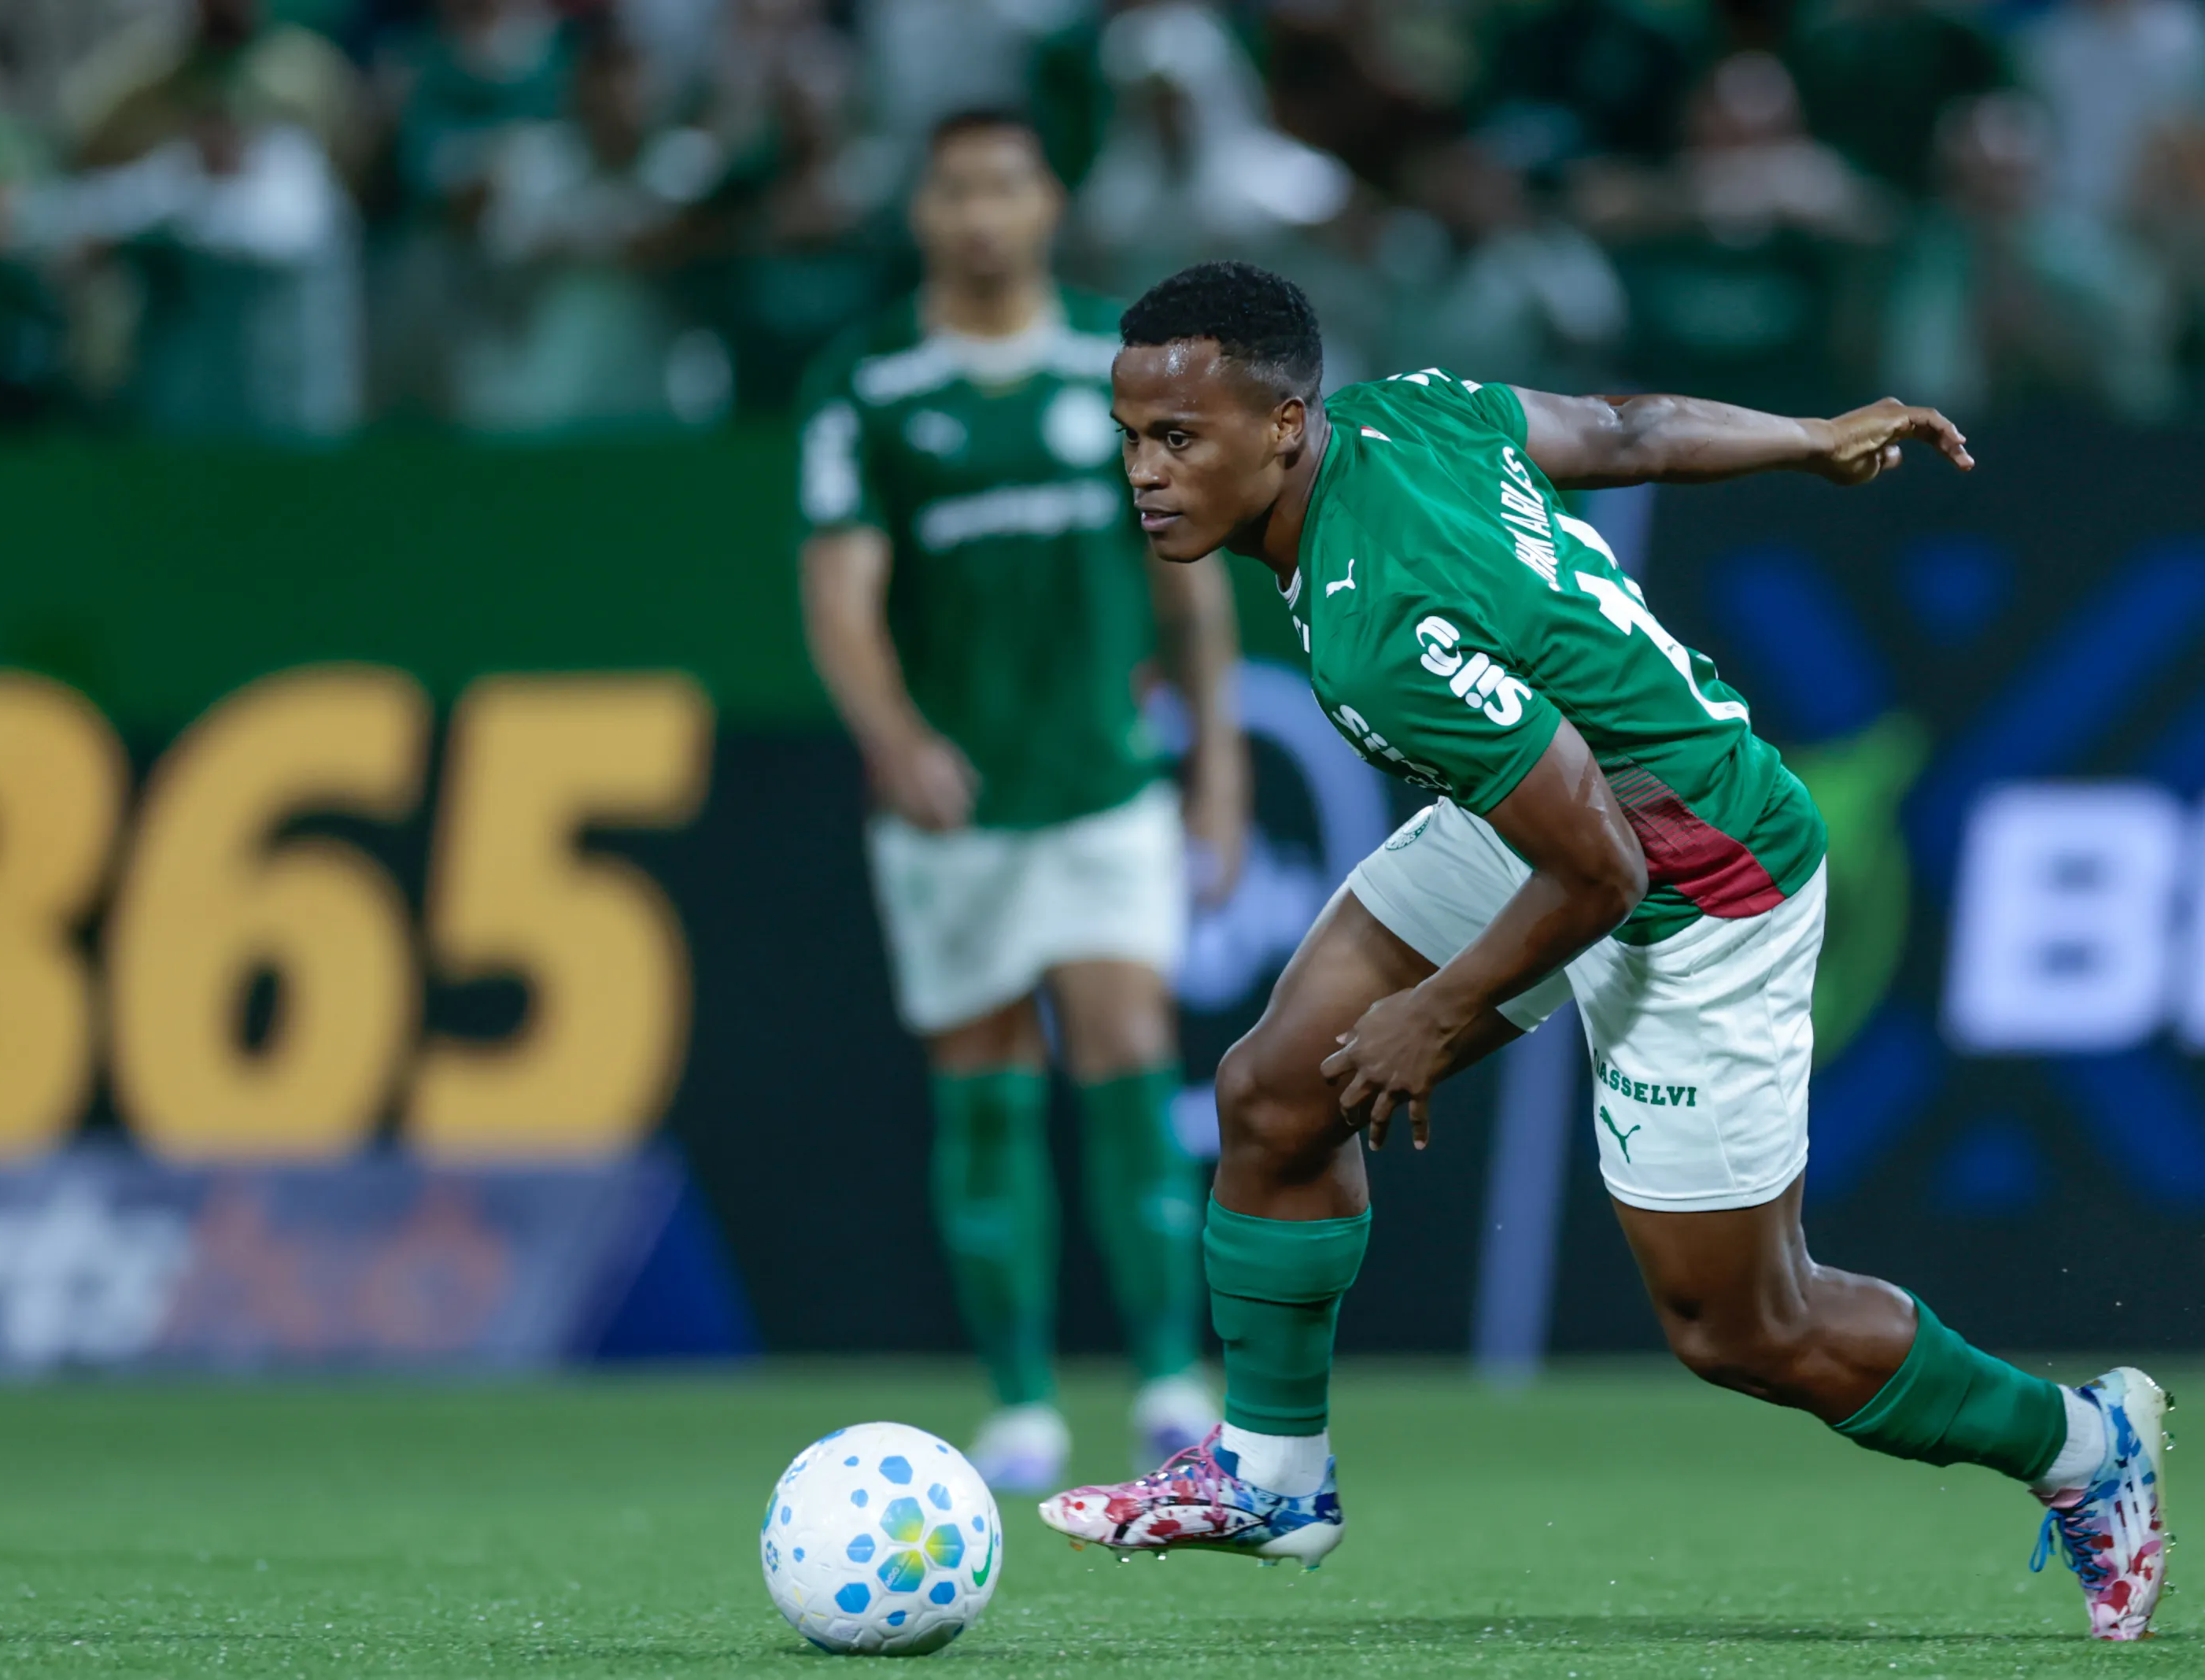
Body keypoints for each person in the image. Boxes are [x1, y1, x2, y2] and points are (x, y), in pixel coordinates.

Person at [1036, 260, 2170, 1645]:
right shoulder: (1411, 413)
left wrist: (1440, 1016)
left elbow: (1608, 868)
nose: (1145, 474)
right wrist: (1803, 440)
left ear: (1285, 424)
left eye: (1179, 439)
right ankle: (1273, 1478)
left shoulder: (1376, 620)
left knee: (1745, 1327)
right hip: (1554, 809)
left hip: (1700, 874)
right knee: (1277, 1091)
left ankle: (2083, 1444)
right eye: (1131, 439)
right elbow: (1625, 432)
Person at [797, 112, 1250, 1494]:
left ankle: (1173, 1380)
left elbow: (1190, 576)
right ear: (925, 211)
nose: (981, 212)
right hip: (953, 802)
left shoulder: (1118, 365)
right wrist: (893, 736)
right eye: (955, 189)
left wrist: (1216, 766)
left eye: (1006, 183)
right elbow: (839, 591)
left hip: (1102, 781)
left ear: (1047, 200)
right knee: (983, 1081)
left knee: (1126, 1049)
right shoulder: (868, 383)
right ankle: (1021, 1401)